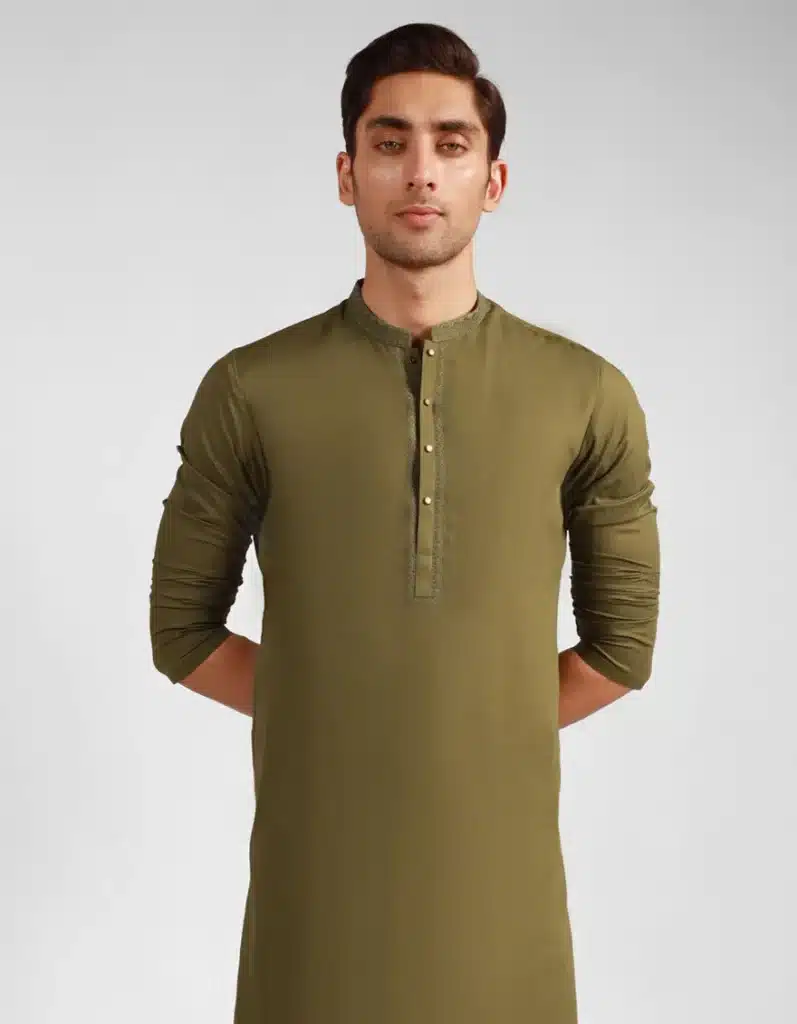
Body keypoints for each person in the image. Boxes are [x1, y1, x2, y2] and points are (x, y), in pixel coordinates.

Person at [149, 21, 660, 1024]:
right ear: (347, 175)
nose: (419, 170)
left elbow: (621, 650)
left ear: (492, 181)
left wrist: (467, 721)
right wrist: (337, 716)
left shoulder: (585, 394)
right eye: (389, 143)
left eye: (449, 144)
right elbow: (180, 632)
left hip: (503, 915)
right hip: (314, 914)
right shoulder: (252, 389)